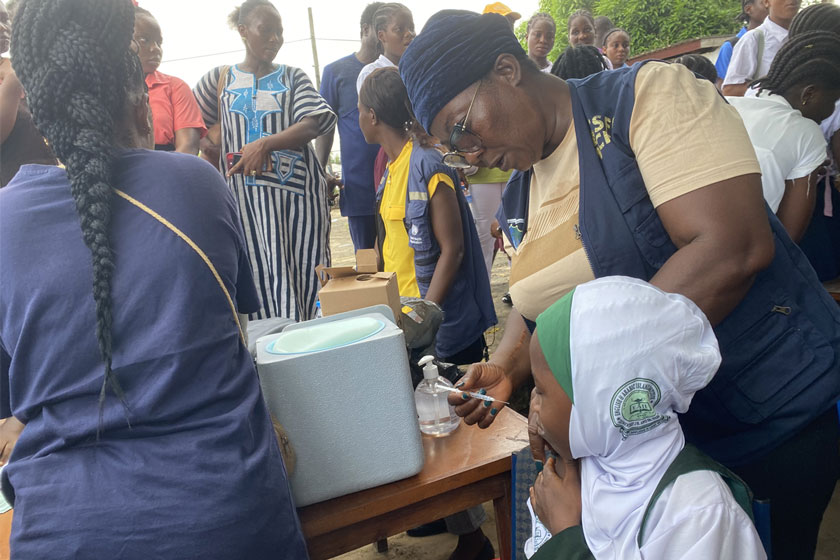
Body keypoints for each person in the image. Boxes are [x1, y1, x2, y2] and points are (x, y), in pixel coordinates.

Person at [399, 10, 840, 559]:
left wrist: (574, 390)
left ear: (508, 70)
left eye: (461, 129)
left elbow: (732, 246)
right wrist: (510, 366)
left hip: (762, 416)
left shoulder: (645, 99)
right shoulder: (520, 191)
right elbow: (540, 300)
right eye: (450, 147)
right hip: (655, 442)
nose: (469, 155)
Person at [0, 0, 307, 557]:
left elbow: (11, 416)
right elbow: (235, 334)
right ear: (139, 99)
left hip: (64, 533)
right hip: (227, 519)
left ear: (38, 115)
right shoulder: (196, 186)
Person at [358, 67, 497, 560]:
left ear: (372, 115)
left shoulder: (426, 165)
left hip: (437, 325)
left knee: (448, 425)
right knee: (421, 421)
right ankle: (444, 515)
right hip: (408, 323)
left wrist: (427, 313)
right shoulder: (391, 166)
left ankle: (474, 538)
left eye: (359, 109)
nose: (358, 117)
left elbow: (452, 249)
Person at [528, 277, 766, 560]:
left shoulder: (698, 512)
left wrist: (565, 535)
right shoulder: (586, 465)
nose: (532, 405)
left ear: (596, 405)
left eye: (540, 391)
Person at [194, 0, 336, 322]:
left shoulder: (292, 77)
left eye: (279, 32)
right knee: (255, 276)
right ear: (243, 31)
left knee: (305, 275)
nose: (274, 39)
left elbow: (316, 121)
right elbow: (194, 126)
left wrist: (265, 144)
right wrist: (215, 146)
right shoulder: (218, 79)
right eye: (266, 31)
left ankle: (312, 352)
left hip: (296, 203)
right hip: (243, 203)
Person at [726, 31, 839, 243]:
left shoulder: (730, 103)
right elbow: (789, 237)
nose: (831, 111)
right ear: (809, 94)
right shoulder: (807, 133)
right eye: (833, 101)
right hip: (740, 251)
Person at [315, 2, 383, 251]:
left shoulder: (398, 69)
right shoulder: (336, 72)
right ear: (366, 29)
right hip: (359, 187)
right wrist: (320, 170)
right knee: (367, 266)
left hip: (399, 183)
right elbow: (324, 126)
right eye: (380, 28)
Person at [789, 2, 840, 281]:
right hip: (818, 202)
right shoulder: (832, 91)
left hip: (776, 200)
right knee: (823, 273)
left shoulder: (770, 83)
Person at [132, 6, 204, 154]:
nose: (155, 48)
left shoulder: (175, 87)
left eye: (159, 42)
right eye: (144, 40)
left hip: (165, 170)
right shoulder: (103, 87)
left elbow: (188, 148)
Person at [0, 0, 56, 187]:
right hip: (14, 192)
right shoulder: (15, 74)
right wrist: (13, 82)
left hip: (53, 180)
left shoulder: (22, 65)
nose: (3, 28)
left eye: (4, 20)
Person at [722, 0, 801, 96]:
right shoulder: (753, 39)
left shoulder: (807, 38)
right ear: (766, 2)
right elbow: (730, 90)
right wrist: (774, 87)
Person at [355, 3, 414, 94]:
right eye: (399, 29)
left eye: (411, 28)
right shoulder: (371, 74)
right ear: (382, 36)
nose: (409, 33)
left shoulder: (417, 70)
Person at [715, 0, 768, 85]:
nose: (769, 5)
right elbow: (722, 87)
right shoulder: (731, 46)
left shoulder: (780, 40)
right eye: (764, 2)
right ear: (748, 9)